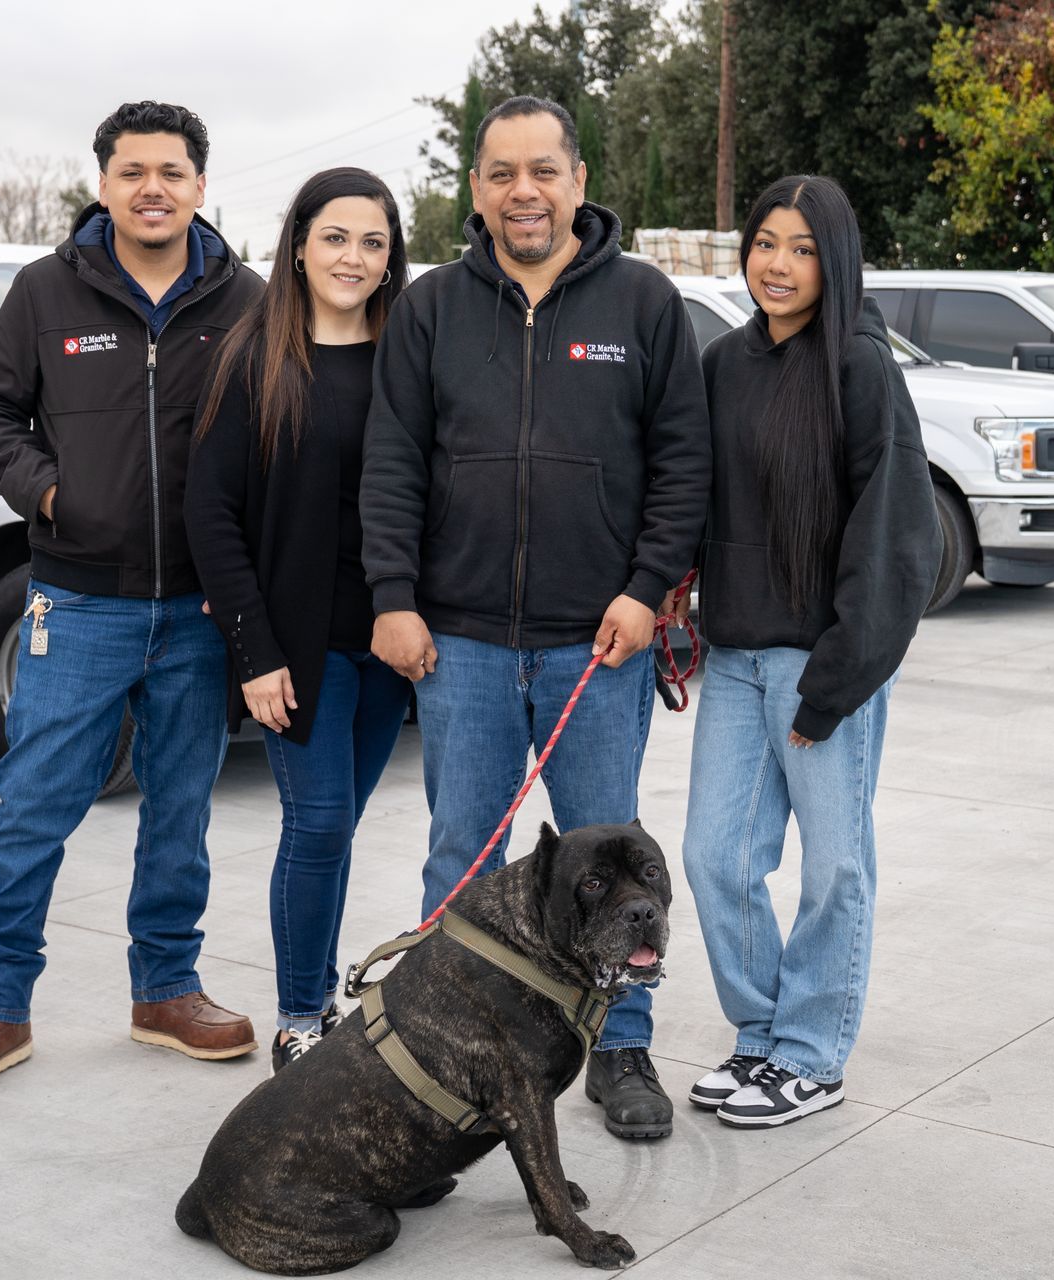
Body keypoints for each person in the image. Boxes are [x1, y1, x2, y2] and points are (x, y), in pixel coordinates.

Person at [362, 95, 710, 1140]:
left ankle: (622, 1045)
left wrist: (645, 589)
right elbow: (390, 463)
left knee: (615, 870)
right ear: (476, 189)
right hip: (458, 640)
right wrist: (392, 595)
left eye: (543, 171)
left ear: (578, 179)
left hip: (595, 644)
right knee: (463, 851)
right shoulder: (429, 310)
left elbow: (683, 465)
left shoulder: (645, 304)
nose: (524, 191)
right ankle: (440, 1044)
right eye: (503, 172)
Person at [0, 101, 265, 1102]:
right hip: (78, 602)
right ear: (104, 183)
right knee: (31, 810)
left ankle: (165, 988)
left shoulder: (243, 298)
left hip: (198, 609)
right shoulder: (45, 293)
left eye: (171, 170)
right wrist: (49, 491)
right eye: (131, 170)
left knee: (179, 813)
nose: (151, 186)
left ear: (201, 185)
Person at [679, 176, 938, 1129]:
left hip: (824, 666)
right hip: (736, 660)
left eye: (800, 248)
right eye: (764, 243)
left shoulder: (862, 369)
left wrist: (833, 684)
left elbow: (898, 538)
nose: (777, 265)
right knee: (713, 857)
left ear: (835, 262)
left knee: (834, 869)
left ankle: (812, 1056)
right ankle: (758, 1037)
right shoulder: (725, 364)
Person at [186, 168, 413, 1074]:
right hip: (297, 646)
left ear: (391, 257)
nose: (353, 257)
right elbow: (212, 514)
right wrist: (255, 650)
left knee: (337, 829)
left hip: (388, 644)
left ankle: (320, 993)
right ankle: (299, 1018)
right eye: (335, 237)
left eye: (373, 242)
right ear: (300, 244)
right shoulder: (253, 358)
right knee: (316, 825)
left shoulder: (408, 355)